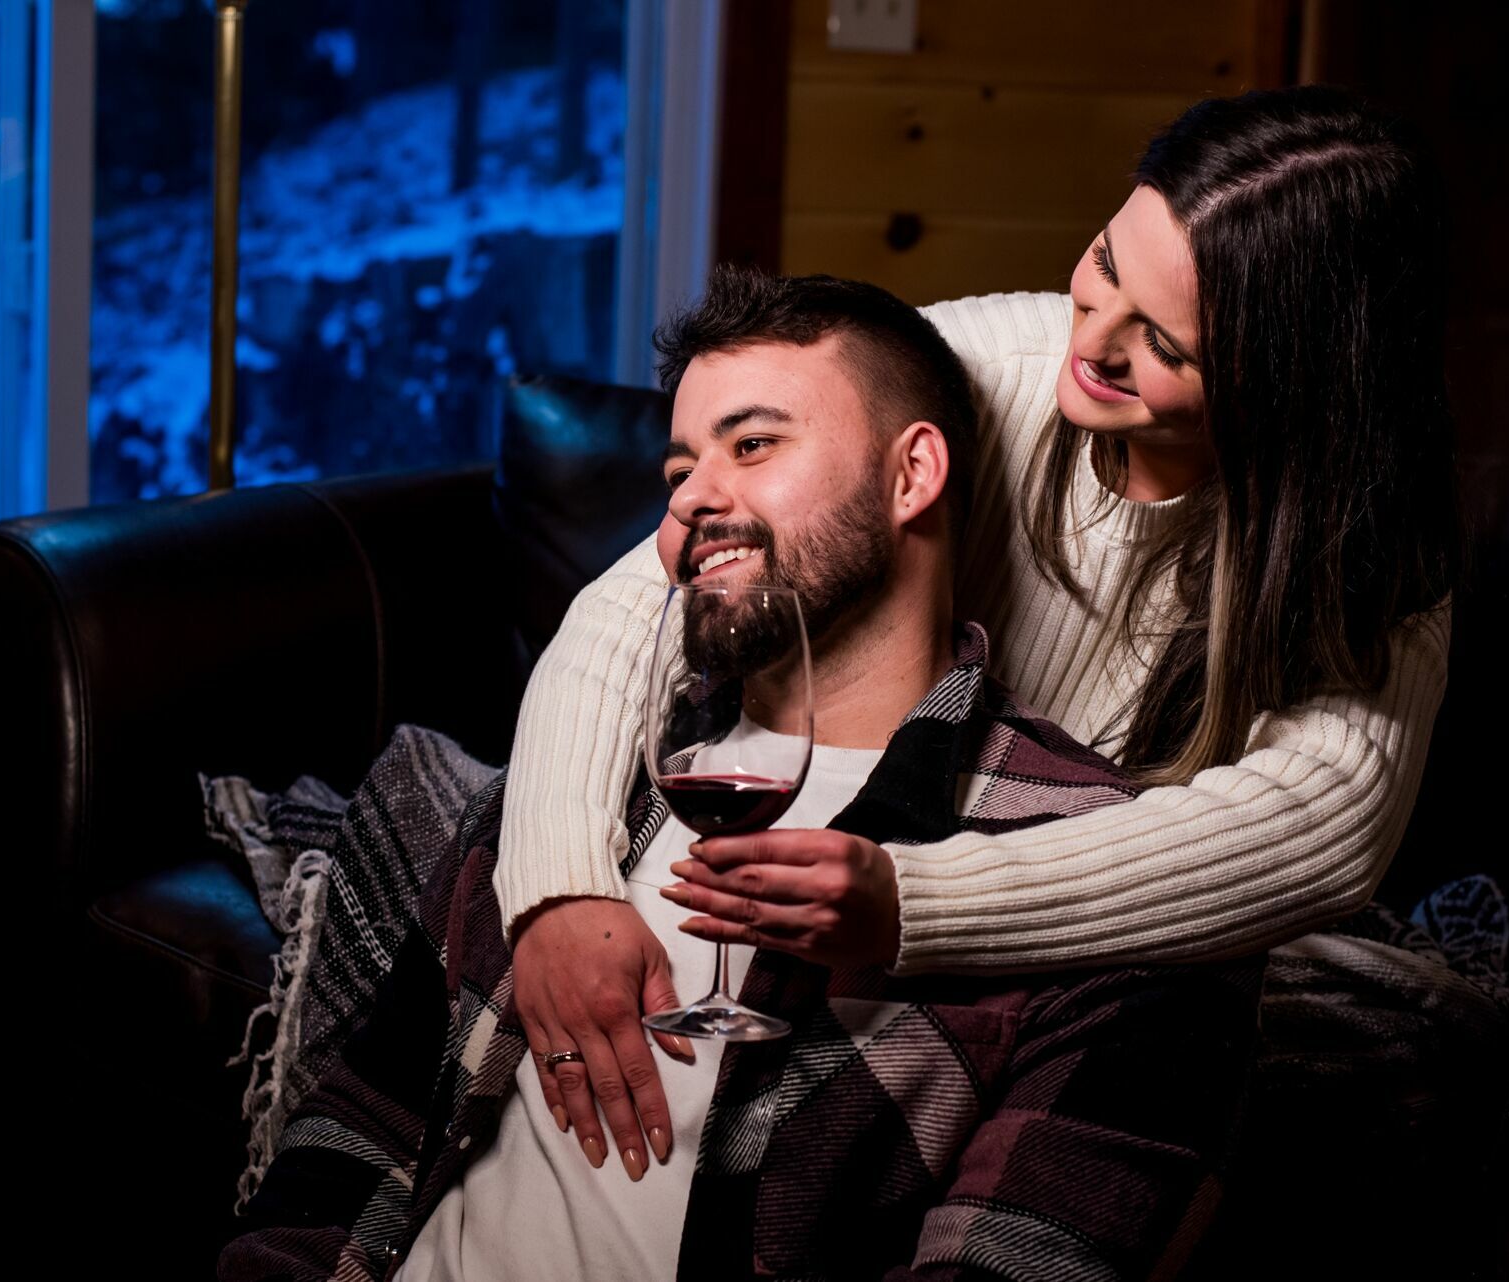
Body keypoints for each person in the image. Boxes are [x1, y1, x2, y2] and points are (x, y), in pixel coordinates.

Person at [217, 269, 1263, 1282]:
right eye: (678, 474)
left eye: (753, 445)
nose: (691, 507)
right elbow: (355, 1138)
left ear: (912, 475)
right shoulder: (571, 799)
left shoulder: (1091, 875)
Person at [498, 85, 1459, 1175]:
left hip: (1079, 930)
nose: (1089, 339)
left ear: (1296, 381)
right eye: (1104, 263)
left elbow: (1321, 829)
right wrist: (559, 889)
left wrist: (919, 901)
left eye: (1162, 342)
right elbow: (642, 600)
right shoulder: (993, 361)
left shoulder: (1371, 541)